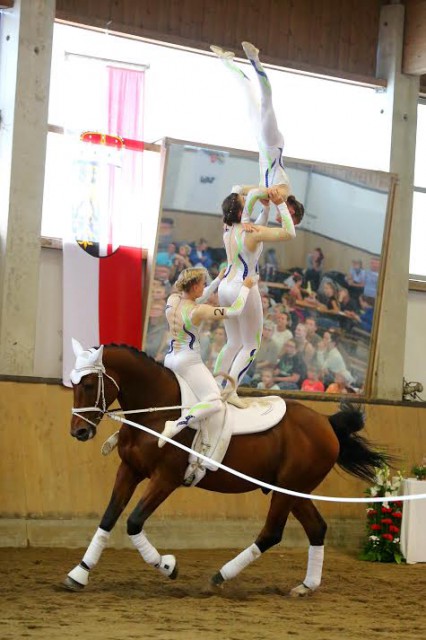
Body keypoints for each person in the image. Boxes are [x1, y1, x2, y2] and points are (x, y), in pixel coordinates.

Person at [213, 187, 296, 405]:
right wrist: (280, 203)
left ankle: (215, 385)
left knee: (233, 342)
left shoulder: (228, 227)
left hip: (225, 287)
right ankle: (231, 392)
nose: (250, 200)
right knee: (251, 344)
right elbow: (289, 232)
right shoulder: (252, 232)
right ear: (242, 213)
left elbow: (236, 192)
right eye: (247, 201)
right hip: (245, 286)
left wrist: (265, 208)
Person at [211, 41, 304, 227]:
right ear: (292, 212)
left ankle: (226, 60)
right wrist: (245, 208)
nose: (283, 222)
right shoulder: (282, 194)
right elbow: (256, 192)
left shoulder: (272, 197)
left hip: (262, 143)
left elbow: (252, 191)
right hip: (272, 145)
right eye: (290, 221)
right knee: (266, 101)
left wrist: (239, 193)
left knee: (247, 92)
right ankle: (255, 58)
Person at [158, 268, 255, 447]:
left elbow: (196, 298)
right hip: (188, 362)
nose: (204, 288)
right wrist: (246, 288)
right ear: (194, 286)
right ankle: (177, 424)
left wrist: (218, 279)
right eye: (203, 284)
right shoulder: (199, 310)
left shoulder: (173, 299)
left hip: (170, 359)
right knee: (215, 401)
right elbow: (235, 311)